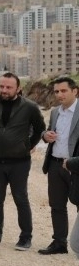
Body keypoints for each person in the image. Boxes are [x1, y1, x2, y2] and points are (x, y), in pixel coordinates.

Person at [0, 72, 46, 250]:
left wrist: (28, 145)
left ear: (18, 88)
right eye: (2, 86)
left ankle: (25, 237)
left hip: (19, 162)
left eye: (9, 87)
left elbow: (39, 128)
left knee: (20, 198)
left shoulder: (29, 107)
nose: (4, 90)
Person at [39, 76, 79, 255]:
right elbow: (48, 133)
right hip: (55, 164)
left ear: (74, 91)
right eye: (56, 91)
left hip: (75, 166)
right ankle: (59, 243)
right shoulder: (55, 112)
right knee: (57, 205)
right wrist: (45, 136)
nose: (59, 95)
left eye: (64, 91)